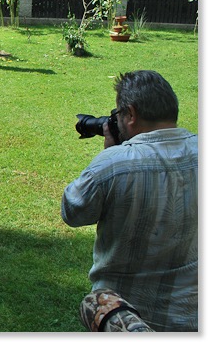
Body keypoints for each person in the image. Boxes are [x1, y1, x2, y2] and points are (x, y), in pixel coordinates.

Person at [61, 70, 198, 332]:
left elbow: (72, 211)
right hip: (194, 319)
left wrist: (108, 157)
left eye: (118, 114)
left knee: (95, 302)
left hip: (127, 318)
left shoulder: (113, 165)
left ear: (131, 114)